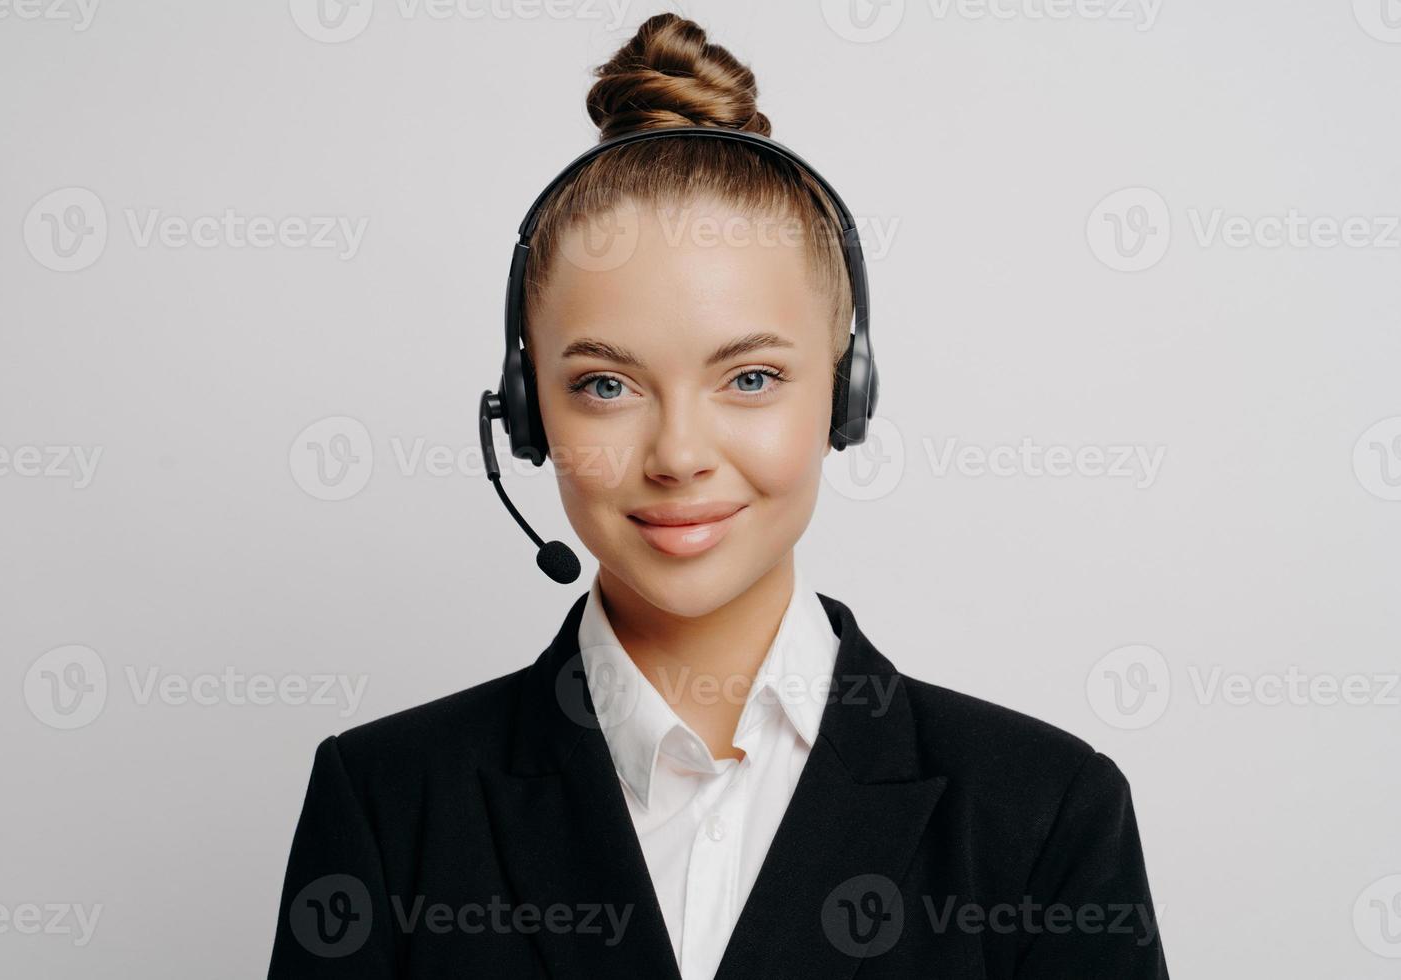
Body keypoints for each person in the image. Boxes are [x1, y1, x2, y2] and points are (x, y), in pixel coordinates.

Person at [268, 12, 1169, 978]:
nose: (679, 455)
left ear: (846, 394)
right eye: (605, 385)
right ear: (528, 416)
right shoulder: (387, 800)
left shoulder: (1045, 811)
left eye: (749, 379)